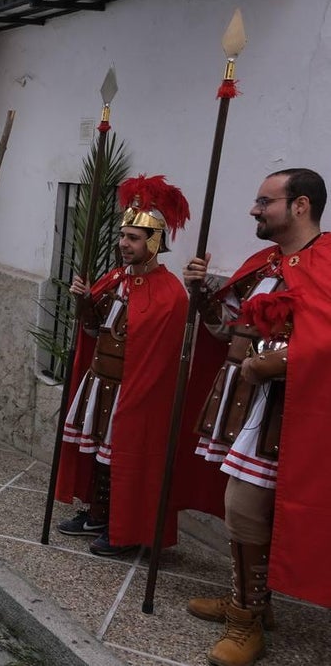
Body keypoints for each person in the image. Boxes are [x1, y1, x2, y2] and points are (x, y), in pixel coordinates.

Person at [183, 168, 330, 666]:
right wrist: (202, 299)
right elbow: (230, 330)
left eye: (264, 201)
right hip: (243, 403)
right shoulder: (264, 262)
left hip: (286, 413)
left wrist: (280, 361)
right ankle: (250, 600)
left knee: (244, 507)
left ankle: (246, 623)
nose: (254, 209)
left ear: (301, 206)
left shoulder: (327, 262)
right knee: (240, 511)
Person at [53, 175, 223, 557]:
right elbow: (95, 329)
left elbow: (163, 355)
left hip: (139, 390)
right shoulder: (115, 279)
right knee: (99, 450)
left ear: (154, 242)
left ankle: (125, 526)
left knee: (125, 457)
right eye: (122, 236)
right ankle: (98, 513)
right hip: (102, 382)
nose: (124, 244)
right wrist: (84, 303)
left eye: (133, 238)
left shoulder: (170, 294)